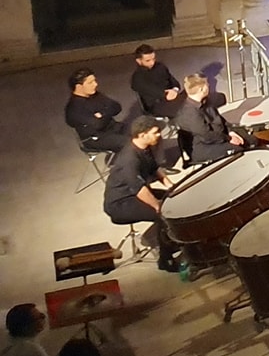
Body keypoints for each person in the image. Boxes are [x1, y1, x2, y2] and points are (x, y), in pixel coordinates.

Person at [104, 118, 179, 273]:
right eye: (155, 132)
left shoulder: (144, 148)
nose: (159, 135)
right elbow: (139, 189)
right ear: (142, 135)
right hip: (121, 203)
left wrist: (173, 188)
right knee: (165, 214)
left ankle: (174, 240)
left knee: (175, 199)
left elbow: (155, 169)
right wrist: (158, 206)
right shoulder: (129, 159)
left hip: (135, 193)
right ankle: (166, 259)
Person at [171, 75, 241, 166]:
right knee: (239, 150)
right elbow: (207, 136)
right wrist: (229, 139)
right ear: (201, 89)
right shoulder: (190, 113)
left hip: (220, 136)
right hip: (203, 147)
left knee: (250, 139)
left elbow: (220, 119)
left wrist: (231, 132)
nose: (209, 86)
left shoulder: (206, 101)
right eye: (207, 85)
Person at [64, 70, 125, 154]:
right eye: (90, 82)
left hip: (113, 127)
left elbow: (117, 107)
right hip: (96, 138)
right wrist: (106, 112)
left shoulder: (96, 95)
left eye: (94, 81)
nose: (95, 84)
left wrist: (102, 114)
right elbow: (98, 125)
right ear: (79, 87)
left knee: (142, 131)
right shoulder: (74, 108)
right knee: (130, 142)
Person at [128, 45, 179, 117]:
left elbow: (173, 81)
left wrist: (175, 89)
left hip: (172, 97)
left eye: (153, 59)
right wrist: (169, 93)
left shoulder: (160, 66)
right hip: (156, 105)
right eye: (148, 60)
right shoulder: (137, 78)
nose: (152, 63)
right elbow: (155, 92)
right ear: (139, 61)